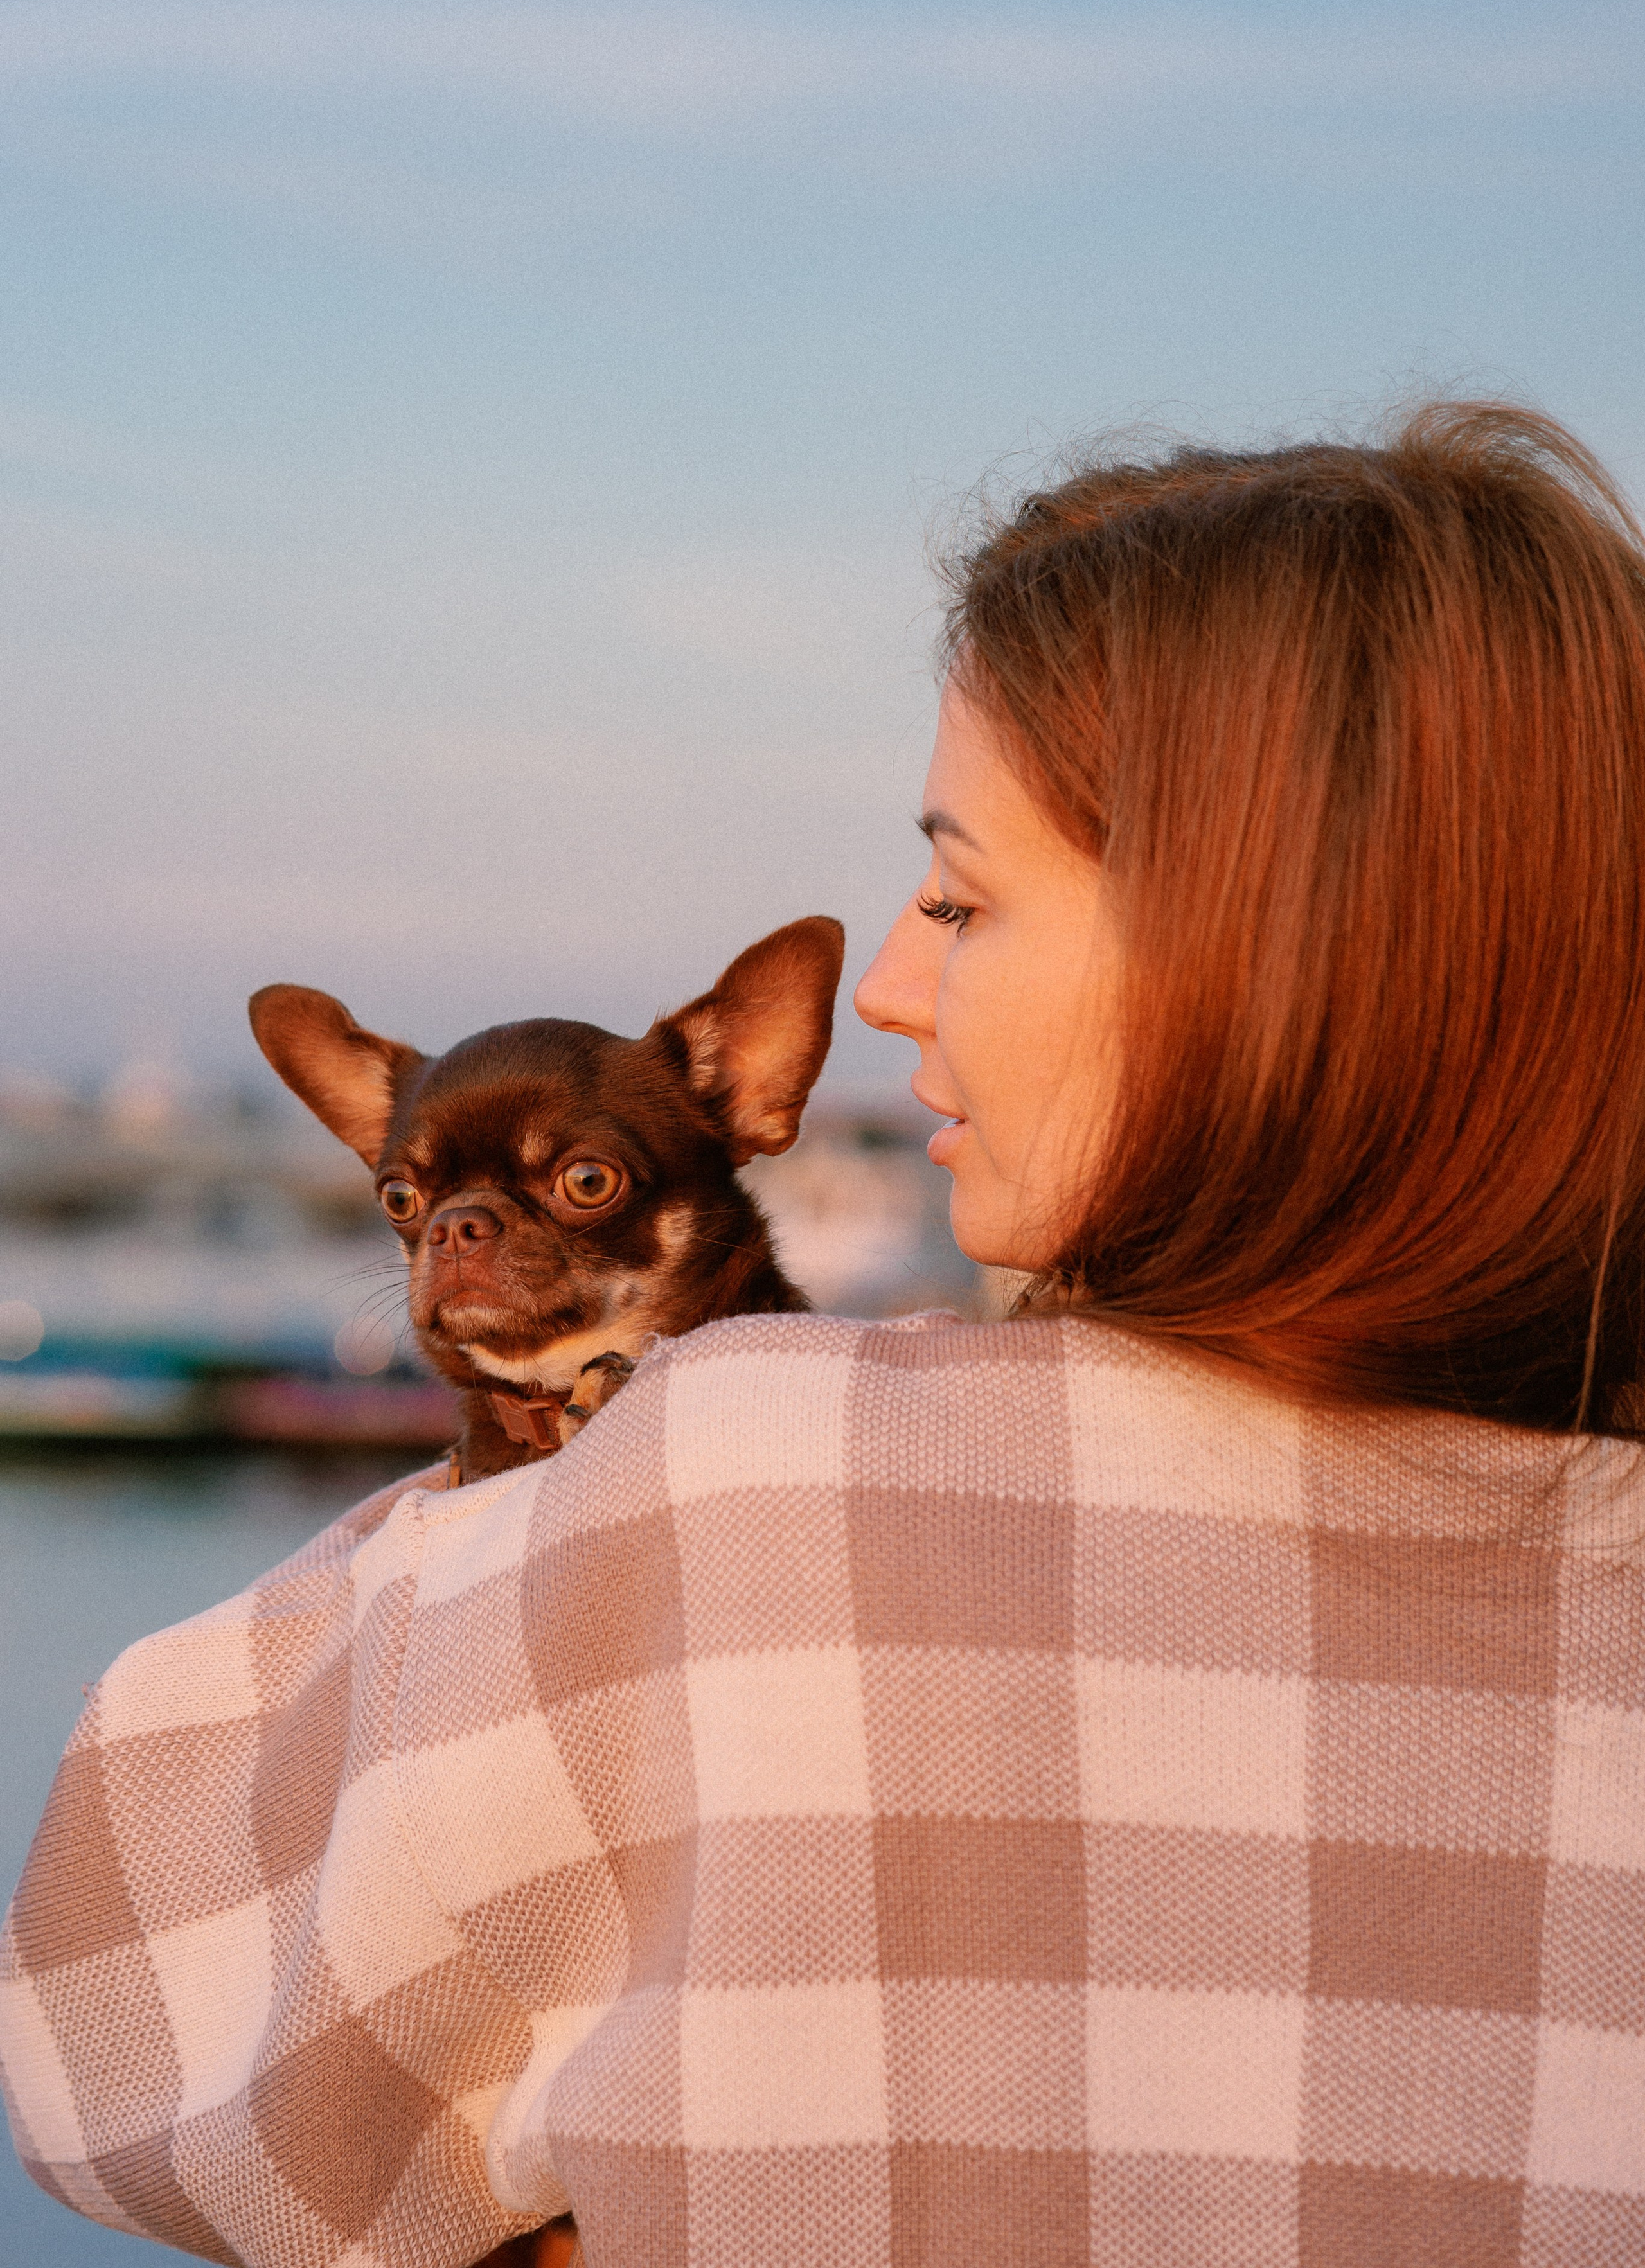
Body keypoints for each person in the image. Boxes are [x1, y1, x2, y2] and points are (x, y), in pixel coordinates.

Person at [4, 400, 1645, 2268]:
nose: (886, 981)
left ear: (1253, 957)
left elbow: (100, 2032)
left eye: (961, 893)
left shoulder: (750, 1485)